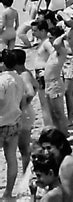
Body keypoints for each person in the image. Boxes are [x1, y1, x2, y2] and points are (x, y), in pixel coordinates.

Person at [0, 49, 25, 199]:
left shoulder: (1, 81)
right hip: (14, 121)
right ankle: (8, 193)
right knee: (11, 159)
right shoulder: (19, 78)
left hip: (1, 122)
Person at [38, 127, 73, 202]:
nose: (46, 152)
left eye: (49, 148)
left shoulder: (66, 164)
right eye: (44, 148)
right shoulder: (58, 160)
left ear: (60, 145)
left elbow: (69, 197)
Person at [14, 48, 38, 173]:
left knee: (24, 149)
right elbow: (36, 86)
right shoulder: (26, 72)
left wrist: (21, 107)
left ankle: (26, 175)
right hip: (27, 112)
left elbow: (30, 92)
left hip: (24, 114)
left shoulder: (23, 75)